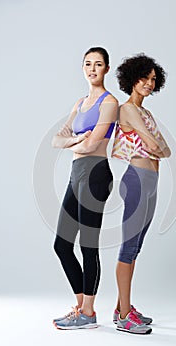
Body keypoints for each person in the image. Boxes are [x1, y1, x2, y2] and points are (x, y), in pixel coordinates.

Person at [52, 47, 118, 330]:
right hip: (76, 173)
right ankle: (82, 307)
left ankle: (89, 313)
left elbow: (93, 146)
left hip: (96, 175)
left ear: (106, 69)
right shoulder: (80, 103)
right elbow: (56, 139)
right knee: (62, 244)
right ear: (83, 68)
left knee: (87, 245)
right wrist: (76, 139)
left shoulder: (109, 103)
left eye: (98, 64)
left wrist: (74, 142)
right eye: (88, 64)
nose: (92, 69)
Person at [111, 53, 171, 334]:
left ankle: (122, 306)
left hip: (152, 181)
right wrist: (156, 144)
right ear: (131, 79)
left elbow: (166, 150)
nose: (148, 83)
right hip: (136, 179)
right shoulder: (128, 110)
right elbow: (154, 144)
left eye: (152, 79)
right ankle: (124, 317)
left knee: (136, 246)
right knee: (128, 247)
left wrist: (157, 145)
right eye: (144, 78)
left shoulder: (146, 113)